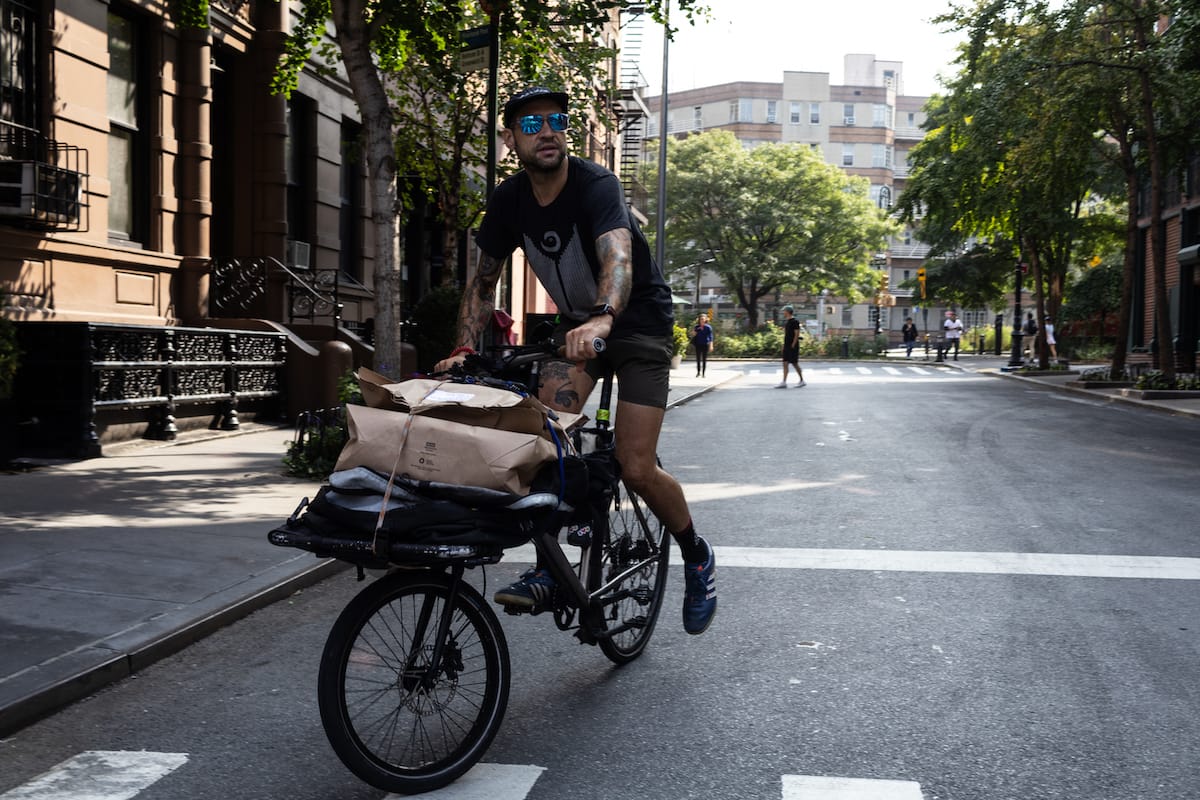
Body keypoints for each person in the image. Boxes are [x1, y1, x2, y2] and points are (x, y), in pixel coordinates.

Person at [433, 86, 716, 635]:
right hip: (574, 330)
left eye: (556, 120)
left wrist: (604, 316)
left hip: (636, 325)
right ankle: (549, 568)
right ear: (511, 139)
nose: (548, 130)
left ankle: (696, 554)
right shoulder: (510, 199)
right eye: (532, 123)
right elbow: (483, 281)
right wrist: (464, 348)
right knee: (544, 443)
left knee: (635, 466)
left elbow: (617, 253)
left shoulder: (596, 183)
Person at [775, 305, 806, 388]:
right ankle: (784, 382)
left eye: (784, 311)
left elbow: (797, 334)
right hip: (787, 345)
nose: (783, 313)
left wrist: (793, 344)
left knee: (795, 363)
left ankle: (802, 380)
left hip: (792, 346)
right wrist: (784, 345)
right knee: (785, 363)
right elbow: (787, 335)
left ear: (788, 312)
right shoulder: (787, 322)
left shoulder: (794, 321)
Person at [691, 313, 714, 377]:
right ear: (699, 320)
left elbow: (711, 337)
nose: (702, 320)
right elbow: (693, 334)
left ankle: (703, 373)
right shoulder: (697, 327)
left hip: (705, 344)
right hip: (698, 344)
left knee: (704, 359)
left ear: (706, 319)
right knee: (698, 359)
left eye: (703, 319)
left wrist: (711, 345)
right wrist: (697, 330)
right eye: (701, 319)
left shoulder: (708, 327)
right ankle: (698, 372)